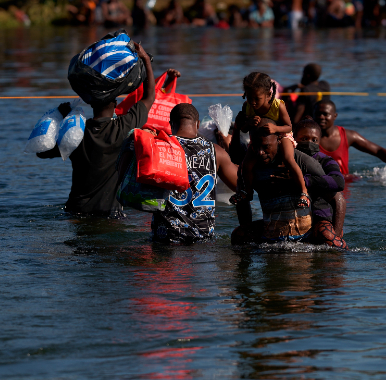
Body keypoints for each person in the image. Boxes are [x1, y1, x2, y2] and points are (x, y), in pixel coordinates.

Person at [39, 45, 159, 216]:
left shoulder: (75, 133)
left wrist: (60, 118)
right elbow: (149, 97)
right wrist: (146, 60)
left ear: (91, 104)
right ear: (115, 105)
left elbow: (42, 152)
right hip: (109, 213)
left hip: (76, 212)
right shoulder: (124, 127)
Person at [230, 120, 343, 247]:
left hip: (308, 228)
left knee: (328, 237)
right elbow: (243, 201)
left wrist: (336, 234)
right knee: (238, 236)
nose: (260, 152)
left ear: (280, 140)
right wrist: (247, 233)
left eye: (266, 147)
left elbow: (337, 196)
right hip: (272, 230)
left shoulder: (305, 161)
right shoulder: (249, 168)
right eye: (255, 147)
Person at [151, 103, 239, 244]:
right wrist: (229, 148)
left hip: (166, 237)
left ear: (170, 124)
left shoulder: (159, 148)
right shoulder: (216, 152)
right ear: (197, 124)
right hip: (202, 238)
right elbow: (241, 185)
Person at [231, 72, 309, 211]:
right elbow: (243, 128)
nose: (253, 102)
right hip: (259, 141)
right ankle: (247, 192)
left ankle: (304, 191)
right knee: (246, 164)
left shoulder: (277, 105)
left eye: (257, 98)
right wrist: (248, 123)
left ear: (268, 95)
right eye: (249, 97)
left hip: (282, 136)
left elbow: (289, 127)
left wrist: (275, 128)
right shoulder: (247, 106)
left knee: (288, 159)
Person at [292, 119, 348, 248]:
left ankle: (340, 248)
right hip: (291, 218)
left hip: (319, 218)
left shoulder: (325, 160)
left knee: (326, 235)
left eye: (314, 140)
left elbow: (338, 182)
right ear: (294, 138)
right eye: (304, 138)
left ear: (320, 141)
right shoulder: (287, 159)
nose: (309, 143)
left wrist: (304, 181)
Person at [312, 99, 386, 176]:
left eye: (325, 114)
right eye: (318, 114)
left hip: (343, 186)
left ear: (335, 116)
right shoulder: (307, 138)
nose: (321, 117)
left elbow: (378, 151)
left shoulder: (348, 136)